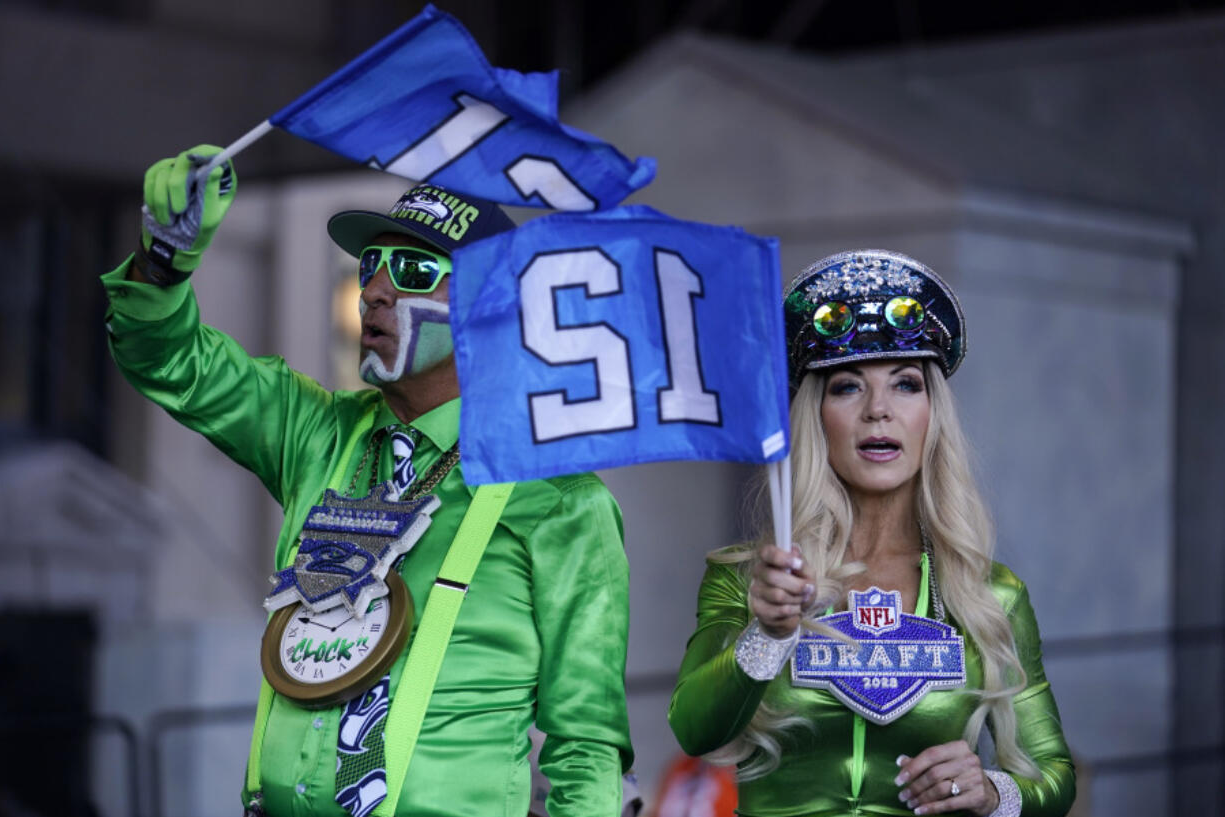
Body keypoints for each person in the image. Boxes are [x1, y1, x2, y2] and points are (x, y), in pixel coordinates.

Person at [102, 146, 632, 817]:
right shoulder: (316, 433)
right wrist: (164, 264)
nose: (375, 290)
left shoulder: (562, 503)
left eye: (411, 270)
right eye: (370, 267)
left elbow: (586, 744)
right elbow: (170, 360)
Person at [668, 250, 1075, 817]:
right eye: (847, 387)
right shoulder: (749, 580)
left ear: (933, 414)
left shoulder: (990, 593)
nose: (878, 411)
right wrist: (768, 633)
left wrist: (990, 792)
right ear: (817, 415)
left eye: (905, 385)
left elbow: (1056, 777)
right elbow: (694, 731)